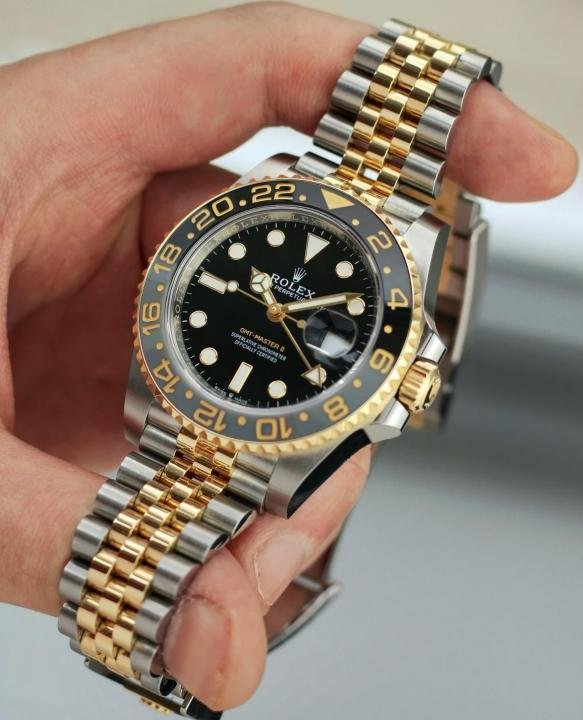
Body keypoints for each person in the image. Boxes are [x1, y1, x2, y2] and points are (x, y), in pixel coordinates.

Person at [0, 2, 577, 713]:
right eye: (275, 306)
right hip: (202, 393)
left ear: (412, 380)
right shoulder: (273, 177)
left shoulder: (387, 251)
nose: (277, 313)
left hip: (248, 400)